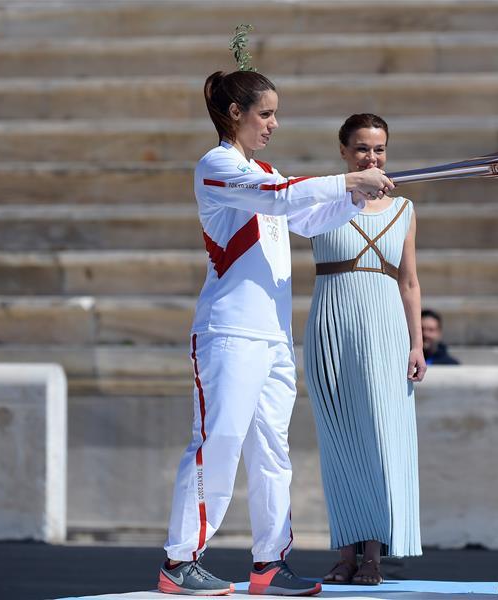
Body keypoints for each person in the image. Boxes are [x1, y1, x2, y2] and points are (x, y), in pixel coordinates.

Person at [158, 72, 394, 597]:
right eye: (265, 114)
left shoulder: (264, 169)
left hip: (272, 337)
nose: (273, 124)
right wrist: (350, 181)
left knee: (273, 451)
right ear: (235, 113)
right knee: (217, 443)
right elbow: (282, 198)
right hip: (227, 333)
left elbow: (306, 217)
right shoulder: (217, 167)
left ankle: (269, 563)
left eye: (274, 114)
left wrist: (355, 198)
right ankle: (180, 562)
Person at [304, 113, 426, 586]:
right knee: (338, 440)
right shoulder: (320, 201)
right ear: (343, 151)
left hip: (384, 327)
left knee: (379, 436)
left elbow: (410, 281)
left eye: (378, 149)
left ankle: (373, 554)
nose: (371, 157)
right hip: (331, 323)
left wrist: (417, 345)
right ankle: (344, 554)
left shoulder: (404, 210)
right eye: (360, 148)